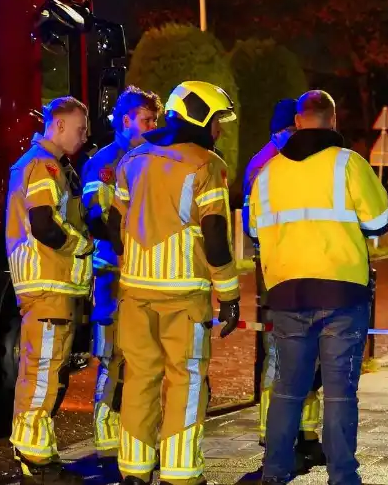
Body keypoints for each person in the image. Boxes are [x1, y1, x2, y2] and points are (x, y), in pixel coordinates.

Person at [249, 90, 388, 485]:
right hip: (342, 293)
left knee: (288, 389)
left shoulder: (268, 172)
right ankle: (343, 476)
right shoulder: (348, 164)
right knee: (340, 392)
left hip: (288, 294)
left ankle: (275, 473)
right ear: (332, 121)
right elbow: (379, 222)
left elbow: (252, 230)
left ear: (297, 123)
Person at [107, 80, 241, 485]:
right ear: (200, 117)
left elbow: (115, 228)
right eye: (217, 120)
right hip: (184, 297)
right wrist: (229, 294)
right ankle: (180, 474)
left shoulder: (132, 160)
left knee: (139, 380)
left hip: (134, 292)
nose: (218, 130)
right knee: (185, 381)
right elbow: (216, 237)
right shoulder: (207, 165)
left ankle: (133, 471)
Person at [5, 96, 95, 484]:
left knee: (43, 373)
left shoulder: (46, 165)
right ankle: (35, 463)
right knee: (42, 375)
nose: (84, 136)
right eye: (80, 129)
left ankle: (40, 456)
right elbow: (43, 224)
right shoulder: (44, 165)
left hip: (47, 286)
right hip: (46, 283)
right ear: (57, 126)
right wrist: (80, 244)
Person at [242, 99, 325, 471]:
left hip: (292, 274)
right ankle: (275, 435)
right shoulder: (268, 166)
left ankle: (305, 434)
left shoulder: (274, 162)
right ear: (285, 129)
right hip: (281, 277)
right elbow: (256, 228)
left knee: (303, 357)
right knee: (279, 356)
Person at [80, 86, 162, 459]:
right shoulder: (105, 163)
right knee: (112, 355)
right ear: (125, 120)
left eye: (154, 120)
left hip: (142, 274)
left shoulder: (149, 159)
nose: (152, 125)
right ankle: (106, 435)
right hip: (113, 272)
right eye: (146, 119)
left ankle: (131, 435)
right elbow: (96, 219)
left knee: (140, 357)